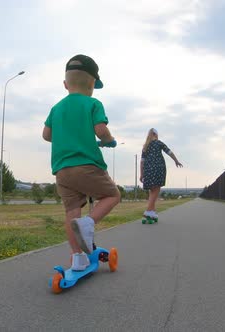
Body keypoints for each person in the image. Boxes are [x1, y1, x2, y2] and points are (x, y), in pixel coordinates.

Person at [42, 54, 121, 271]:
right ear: (93, 84)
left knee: (71, 212)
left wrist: (64, 134)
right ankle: (89, 223)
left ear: (65, 84)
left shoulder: (56, 108)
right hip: (87, 165)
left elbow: (46, 135)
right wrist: (108, 141)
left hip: (62, 170)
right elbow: (101, 130)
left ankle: (77, 258)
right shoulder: (93, 103)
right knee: (112, 195)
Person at [139, 128, 183, 219]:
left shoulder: (145, 146)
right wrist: (176, 161)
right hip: (158, 168)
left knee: (152, 191)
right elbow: (169, 152)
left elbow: (142, 162)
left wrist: (141, 174)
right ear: (155, 134)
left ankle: (152, 212)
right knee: (156, 190)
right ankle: (148, 211)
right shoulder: (159, 143)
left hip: (147, 170)